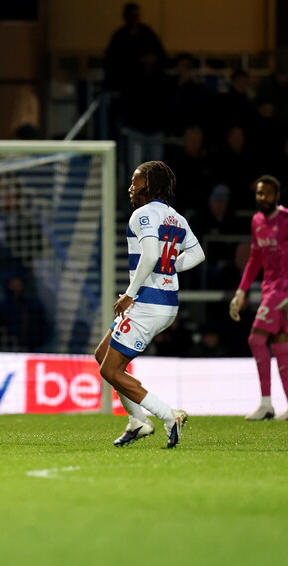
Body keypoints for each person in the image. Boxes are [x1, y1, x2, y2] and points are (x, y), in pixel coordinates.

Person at [99, 161, 205, 448]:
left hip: (146, 301)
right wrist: (168, 269)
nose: (132, 187)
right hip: (166, 301)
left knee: (110, 371)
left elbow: (148, 256)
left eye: (137, 181)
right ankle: (137, 422)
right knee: (102, 355)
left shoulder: (143, 214)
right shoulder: (176, 217)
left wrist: (130, 293)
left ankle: (169, 416)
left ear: (151, 185)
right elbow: (197, 255)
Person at [229, 175, 288, 421]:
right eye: (259, 193)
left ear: (278, 196)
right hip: (269, 288)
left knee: (256, 340)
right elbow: (255, 259)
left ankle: (266, 404)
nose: (263, 197)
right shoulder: (257, 221)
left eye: (267, 193)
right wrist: (241, 290)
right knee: (279, 344)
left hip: (285, 289)